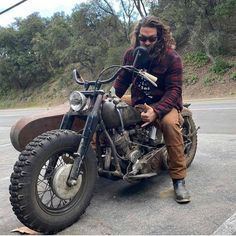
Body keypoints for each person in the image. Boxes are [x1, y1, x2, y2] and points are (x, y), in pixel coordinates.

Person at [113, 16, 191, 203]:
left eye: (151, 38)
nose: (146, 42)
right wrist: (110, 95)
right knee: (107, 111)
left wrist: (157, 111)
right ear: (137, 37)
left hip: (164, 104)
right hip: (139, 101)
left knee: (170, 125)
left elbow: (174, 91)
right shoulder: (132, 55)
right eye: (143, 38)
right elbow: (121, 82)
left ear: (160, 37)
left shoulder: (172, 57)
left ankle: (179, 181)